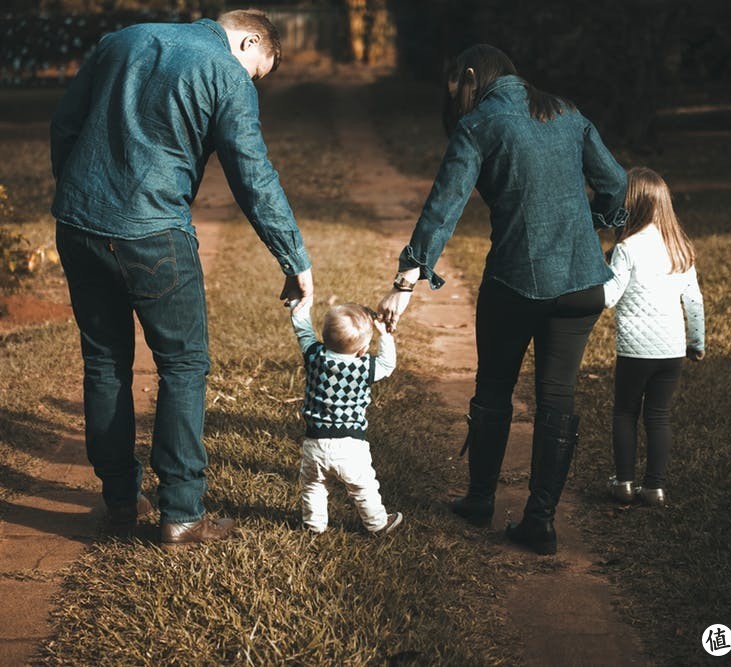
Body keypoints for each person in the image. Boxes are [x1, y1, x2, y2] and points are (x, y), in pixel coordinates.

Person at [50, 9, 314, 547]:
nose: (251, 83)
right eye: (257, 71)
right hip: (153, 234)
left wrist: (80, 196)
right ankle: (183, 512)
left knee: (105, 361)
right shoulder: (226, 73)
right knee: (184, 365)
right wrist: (294, 259)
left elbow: (65, 124)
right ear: (249, 40)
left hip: (78, 225)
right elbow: (253, 177)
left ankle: (121, 501)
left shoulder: (120, 40)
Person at [377, 44, 628, 555]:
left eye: (459, 90)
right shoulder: (567, 111)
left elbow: (441, 210)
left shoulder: (480, 124)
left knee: (494, 389)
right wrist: (593, 224)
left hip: (515, 284)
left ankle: (479, 500)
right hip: (582, 286)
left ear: (472, 77)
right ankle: (540, 522)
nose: (459, 101)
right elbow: (618, 185)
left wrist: (404, 285)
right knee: (557, 398)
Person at [603, 167, 705, 506]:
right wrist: (696, 342)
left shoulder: (627, 248)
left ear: (630, 205)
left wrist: (594, 275)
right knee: (659, 415)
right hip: (672, 350)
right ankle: (655, 488)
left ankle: (624, 484)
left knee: (625, 413)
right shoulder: (679, 249)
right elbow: (693, 301)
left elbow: (609, 297)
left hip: (635, 351)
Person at [289, 301, 403, 534]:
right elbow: (387, 364)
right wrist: (384, 335)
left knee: (313, 486)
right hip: (350, 445)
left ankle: (313, 525)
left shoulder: (314, 356)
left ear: (324, 337)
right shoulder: (365, 367)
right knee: (363, 487)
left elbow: (302, 330)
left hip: (315, 443)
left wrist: (298, 303)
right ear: (362, 350)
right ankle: (377, 523)